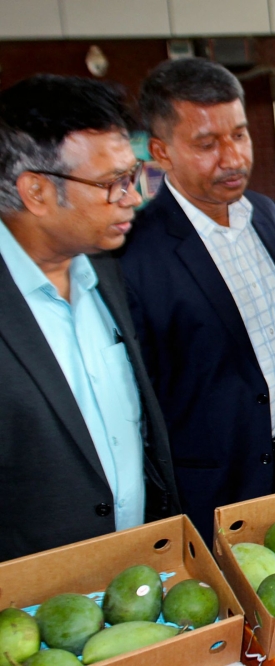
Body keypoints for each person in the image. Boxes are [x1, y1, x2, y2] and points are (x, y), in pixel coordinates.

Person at [120, 58, 275, 541]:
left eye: (239, 135)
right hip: (215, 490)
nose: (232, 157)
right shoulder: (135, 255)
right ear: (161, 151)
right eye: (207, 144)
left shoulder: (264, 213)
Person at [0, 75, 179, 562]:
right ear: (36, 191)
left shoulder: (106, 273)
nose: (134, 197)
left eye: (134, 175)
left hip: (136, 575)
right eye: (111, 183)